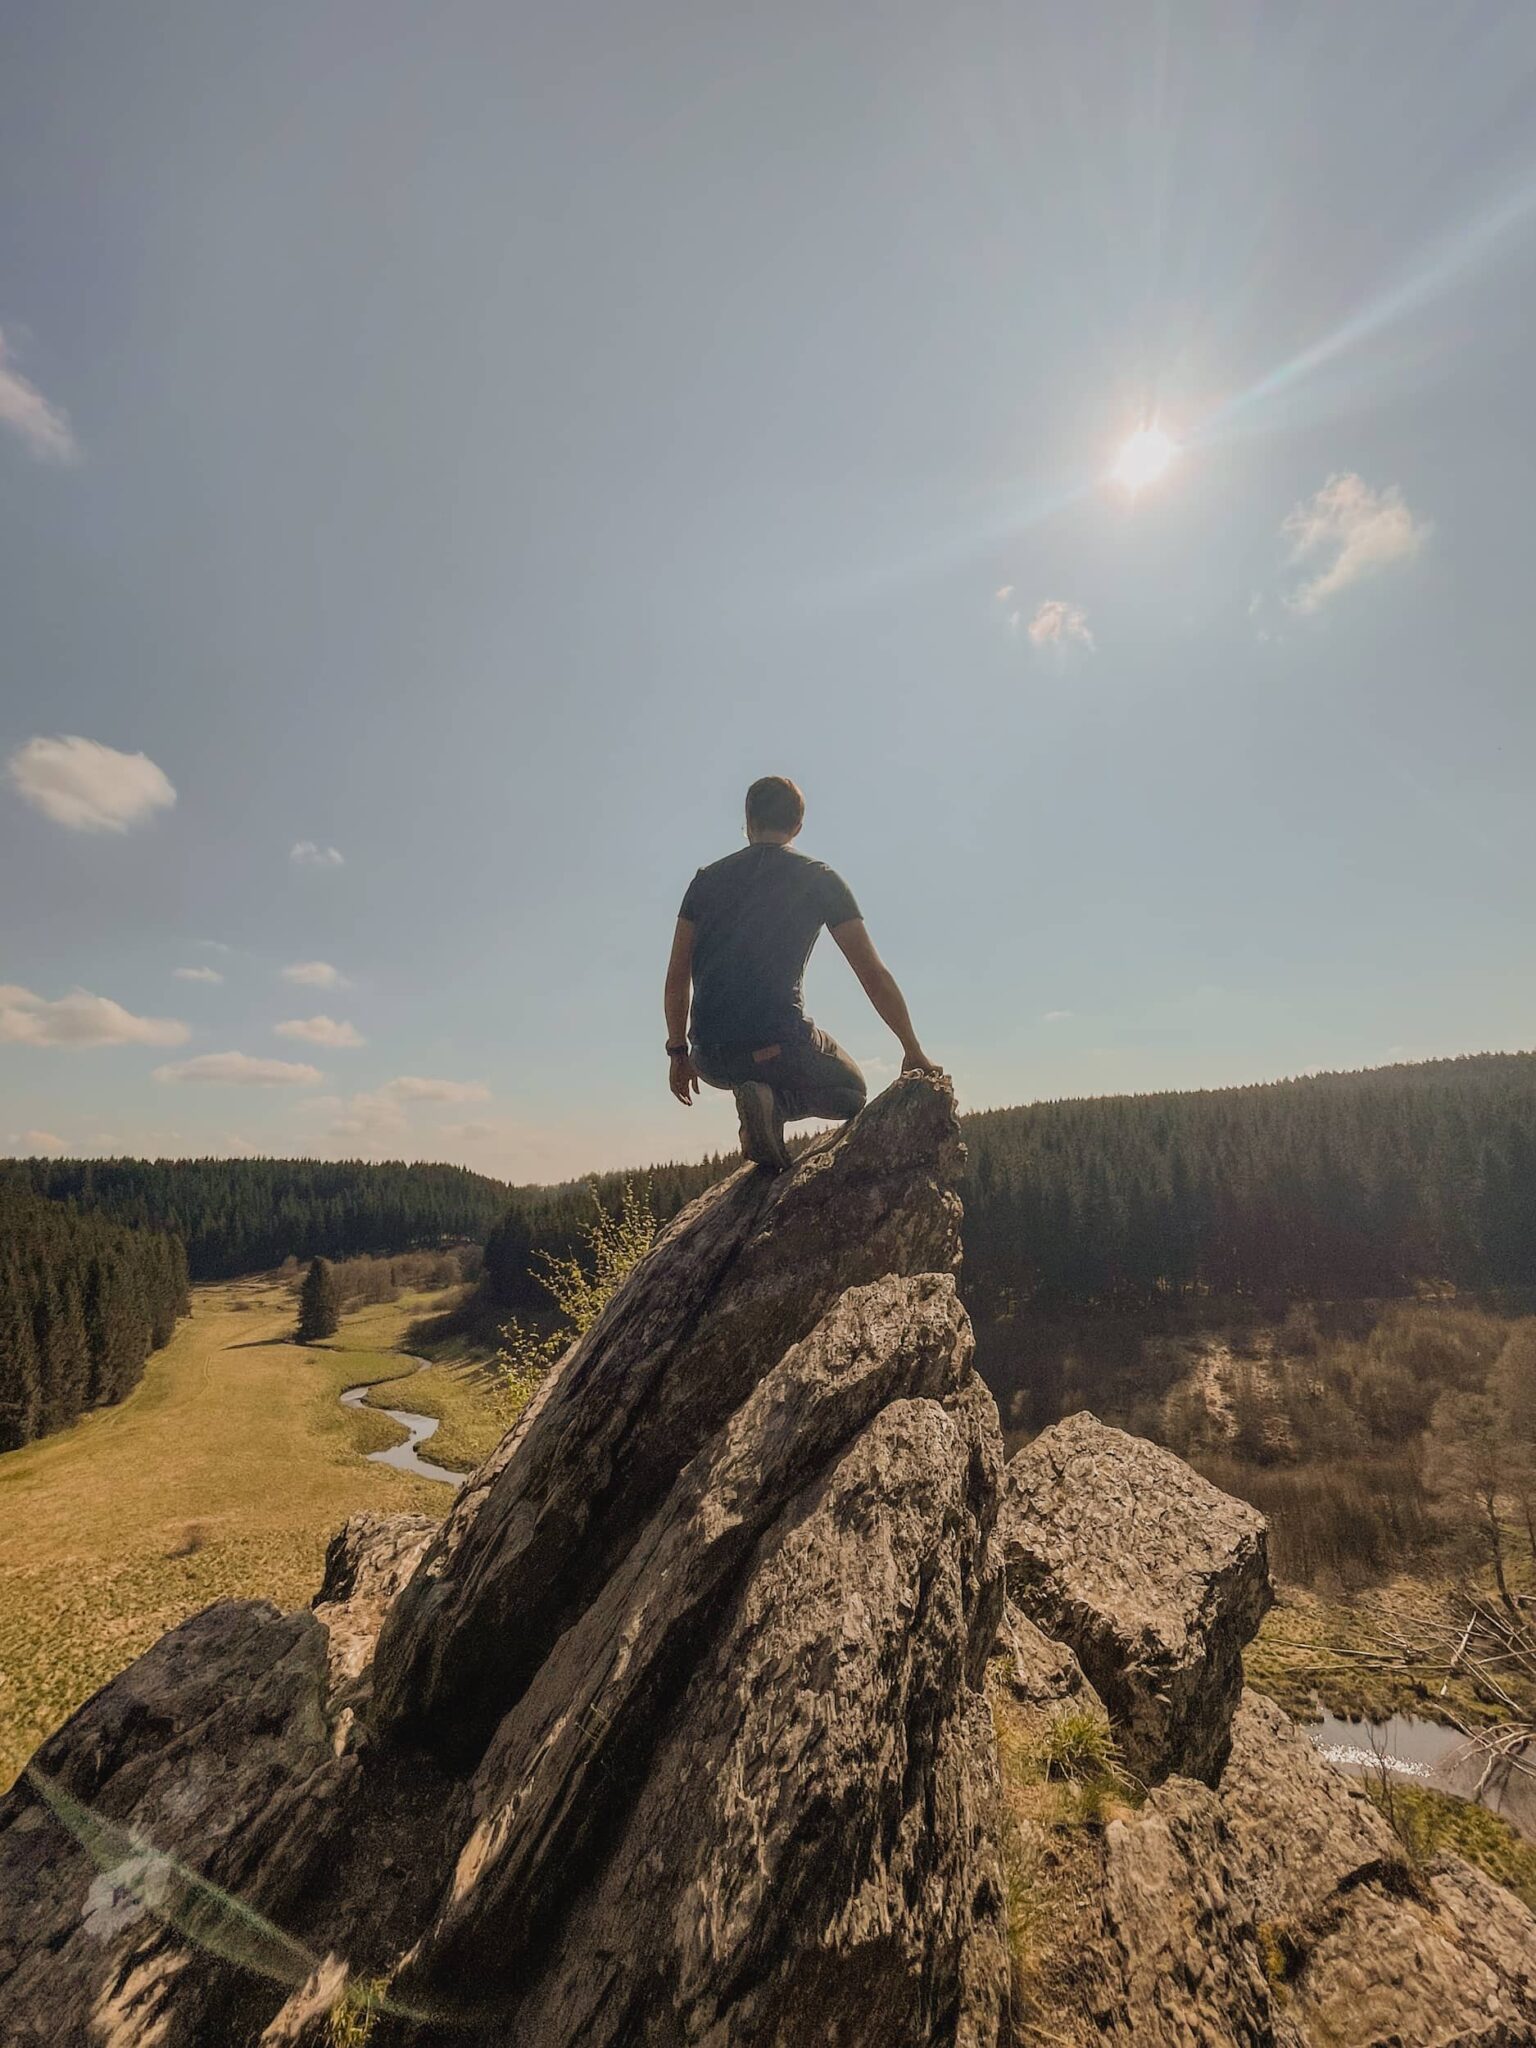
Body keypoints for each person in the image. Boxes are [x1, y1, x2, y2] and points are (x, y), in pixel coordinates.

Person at [664, 775, 938, 1170]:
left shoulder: (704, 881)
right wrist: (912, 1049)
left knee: (754, 1072)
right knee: (850, 1090)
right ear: (797, 826)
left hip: (713, 1058)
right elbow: (872, 973)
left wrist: (678, 1052)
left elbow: (677, 977)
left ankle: (761, 1102)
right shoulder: (818, 878)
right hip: (782, 1044)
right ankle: (777, 1106)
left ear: (747, 820)